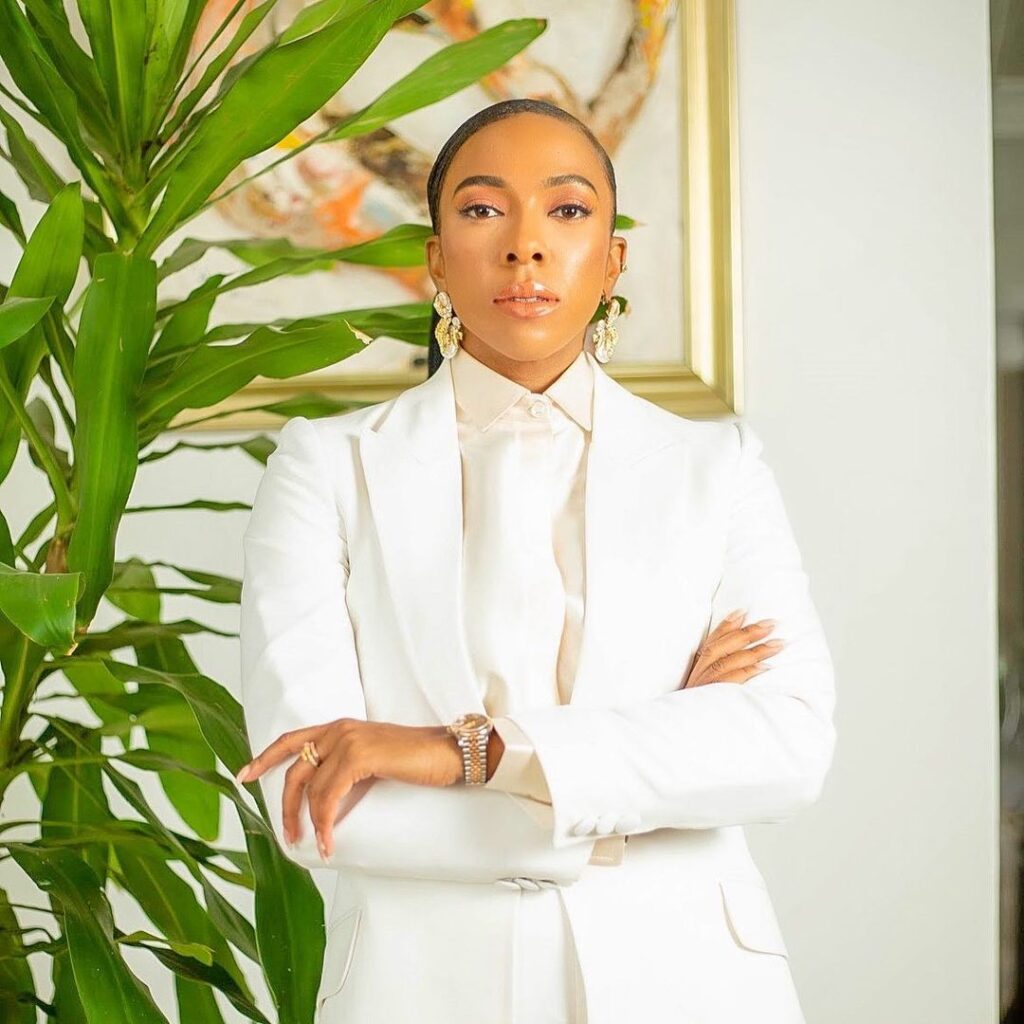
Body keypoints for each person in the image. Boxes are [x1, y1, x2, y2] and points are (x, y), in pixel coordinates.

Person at [235, 98, 836, 1024]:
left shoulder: (718, 468)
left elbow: (784, 749)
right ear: (437, 258)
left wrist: (455, 754)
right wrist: (645, 773)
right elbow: (313, 802)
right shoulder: (326, 467)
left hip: (692, 982)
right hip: (420, 990)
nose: (526, 246)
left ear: (613, 258)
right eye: (482, 210)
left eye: (567, 210)